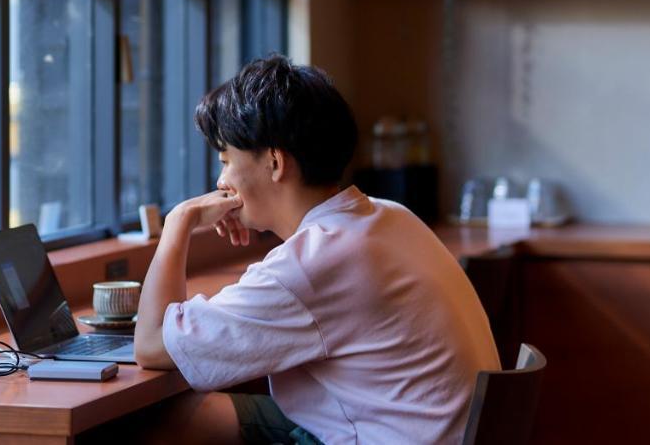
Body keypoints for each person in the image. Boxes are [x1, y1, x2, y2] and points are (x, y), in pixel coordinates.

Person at [130, 55, 499, 445]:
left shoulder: (308, 267)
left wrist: (177, 224)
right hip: (424, 432)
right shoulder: (392, 216)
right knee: (196, 416)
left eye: (226, 161)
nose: (222, 181)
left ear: (274, 162)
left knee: (162, 425)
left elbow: (152, 346)